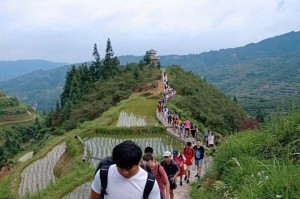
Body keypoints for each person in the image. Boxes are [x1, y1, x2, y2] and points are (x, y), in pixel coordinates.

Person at [90, 140, 160, 199]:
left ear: (139, 162)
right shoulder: (103, 174)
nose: (125, 173)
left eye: (128, 168)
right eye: (120, 167)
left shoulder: (150, 182)